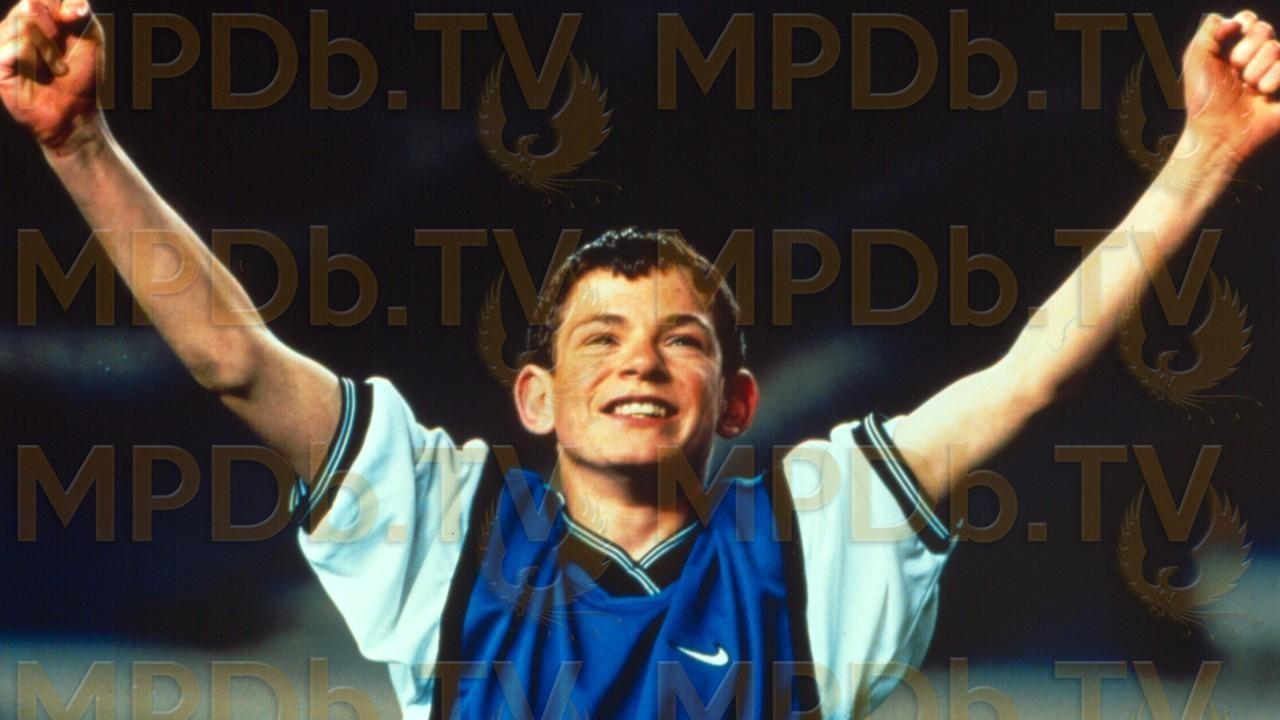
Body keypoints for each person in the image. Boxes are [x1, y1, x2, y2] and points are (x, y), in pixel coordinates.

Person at [4, 1, 1279, 717]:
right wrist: (80, 145)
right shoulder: (446, 529)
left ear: (734, 400)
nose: (640, 362)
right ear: (535, 397)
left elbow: (1031, 371)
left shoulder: (814, 541)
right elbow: (233, 357)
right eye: (600, 337)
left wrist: (1203, 153)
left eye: (682, 339)